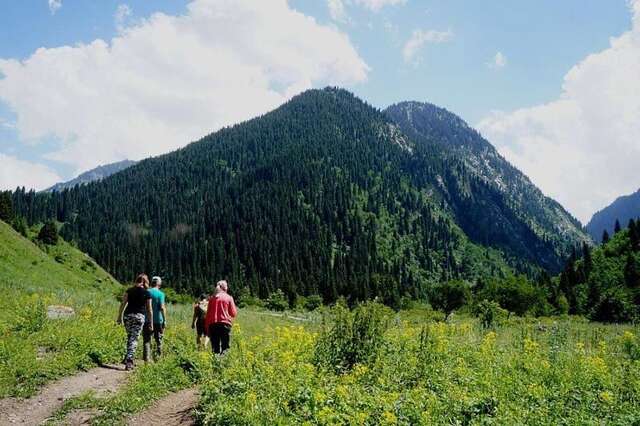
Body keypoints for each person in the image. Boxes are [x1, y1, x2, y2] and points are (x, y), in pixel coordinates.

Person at [117, 274, 153, 370]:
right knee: (134, 338)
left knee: (130, 337)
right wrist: (151, 323)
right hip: (139, 317)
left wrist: (119, 317)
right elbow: (149, 309)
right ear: (146, 282)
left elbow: (123, 303)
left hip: (127, 316)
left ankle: (127, 356)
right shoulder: (147, 293)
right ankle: (129, 361)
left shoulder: (129, 290)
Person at [204, 280, 237, 355]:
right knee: (225, 347)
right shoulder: (229, 297)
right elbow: (233, 314)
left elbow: (208, 315)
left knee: (215, 348)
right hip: (225, 324)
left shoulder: (212, 299)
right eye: (227, 286)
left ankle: (215, 363)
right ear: (224, 287)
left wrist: (207, 328)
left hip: (213, 325)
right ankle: (224, 364)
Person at [144, 276, 167, 361]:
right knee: (158, 340)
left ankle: (147, 360)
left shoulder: (147, 292)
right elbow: (162, 307)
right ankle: (157, 360)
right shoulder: (161, 294)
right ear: (159, 284)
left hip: (147, 320)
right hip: (158, 320)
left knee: (147, 340)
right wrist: (165, 320)